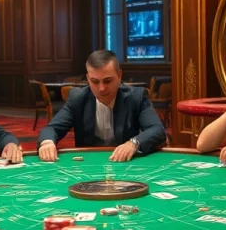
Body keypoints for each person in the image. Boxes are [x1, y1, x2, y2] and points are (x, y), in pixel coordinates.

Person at [36, 50, 167, 162]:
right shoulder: (78, 98)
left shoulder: (136, 97)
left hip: (125, 163)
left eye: (107, 81)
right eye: (94, 81)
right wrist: (47, 142)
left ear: (119, 75)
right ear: (88, 78)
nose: (102, 88)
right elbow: (51, 129)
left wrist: (133, 143)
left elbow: (157, 130)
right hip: (89, 164)